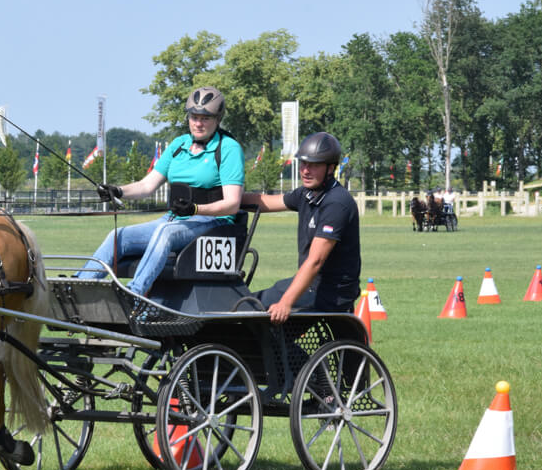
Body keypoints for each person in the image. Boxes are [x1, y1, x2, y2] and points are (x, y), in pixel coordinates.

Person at [74, 86, 244, 295]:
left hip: (213, 224)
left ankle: (134, 295)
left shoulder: (228, 148)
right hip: (174, 220)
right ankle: (79, 290)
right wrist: (117, 191)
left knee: (165, 232)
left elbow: (232, 203)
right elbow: (147, 185)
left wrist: (195, 209)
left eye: (205, 118)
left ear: (217, 119)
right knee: (118, 236)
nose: (198, 123)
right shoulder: (178, 145)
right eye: (194, 117)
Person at [242, 131, 360, 324]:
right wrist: (226, 200)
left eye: (313, 165)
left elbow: (315, 261)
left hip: (330, 293)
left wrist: (286, 302)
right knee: (250, 304)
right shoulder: (306, 194)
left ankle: (286, 355)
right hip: (310, 285)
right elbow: (264, 202)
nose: (305, 170)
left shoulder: (337, 203)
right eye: (303, 164)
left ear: (330, 168)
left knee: (254, 310)